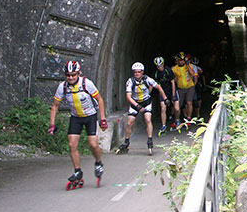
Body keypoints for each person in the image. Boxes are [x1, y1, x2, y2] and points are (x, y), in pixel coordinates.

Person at [48, 60, 108, 190]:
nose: (70, 77)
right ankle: (77, 171)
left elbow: (100, 100)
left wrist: (102, 119)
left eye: (73, 75)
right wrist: (52, 125)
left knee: (93, 144)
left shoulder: (87, 84)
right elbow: (55, 106)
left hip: (90, 116)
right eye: (68, 75)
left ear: (78, 73)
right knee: (72, 145)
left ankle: (98, 163)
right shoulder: (63, 87)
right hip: (76, 117)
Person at [118, 61, 167, 154]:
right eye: (135, 72)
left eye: (139, 72)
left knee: (147, 119)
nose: (137, 74)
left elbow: (158, 87)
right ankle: (126, 142)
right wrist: (137, 106)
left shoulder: (147, 79)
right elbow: (128, 96)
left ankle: (150, 140)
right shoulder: (130, 81)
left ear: (142, 72)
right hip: (135, 102)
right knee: (129, 123)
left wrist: (165, 98)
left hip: (146, 102)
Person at [152, 56, 180, 135]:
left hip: (172, 90)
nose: (159, 67)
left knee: (176, 108)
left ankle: (177, 120)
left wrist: (173, 95)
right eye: (158, 66)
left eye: (161, 65)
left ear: (163, 64)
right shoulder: (156, 73)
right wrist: (164, 98)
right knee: (163, 108)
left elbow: (173, 83)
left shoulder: (168, 70)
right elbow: (158, 86)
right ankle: (163, 125)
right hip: (163, 91)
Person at [171, 51, 195, 123]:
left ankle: (188, 118)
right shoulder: (174, 69)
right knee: (179, 105)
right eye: (180, 60)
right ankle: (177, 119)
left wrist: (187, 65)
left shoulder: (188, 66)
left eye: (183, 60)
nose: (182, 62)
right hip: (180, 88)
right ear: (177, 60)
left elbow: (193, 74)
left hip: (190, 86)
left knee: (189, 102)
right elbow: (173, 80)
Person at [189, 55, 206, 119]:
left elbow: (203, 77)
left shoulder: (199, 69)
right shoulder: (189, 68)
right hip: (190, 84)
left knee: (198, 98)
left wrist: (204, 85)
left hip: (197, 84)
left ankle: (197, 113)